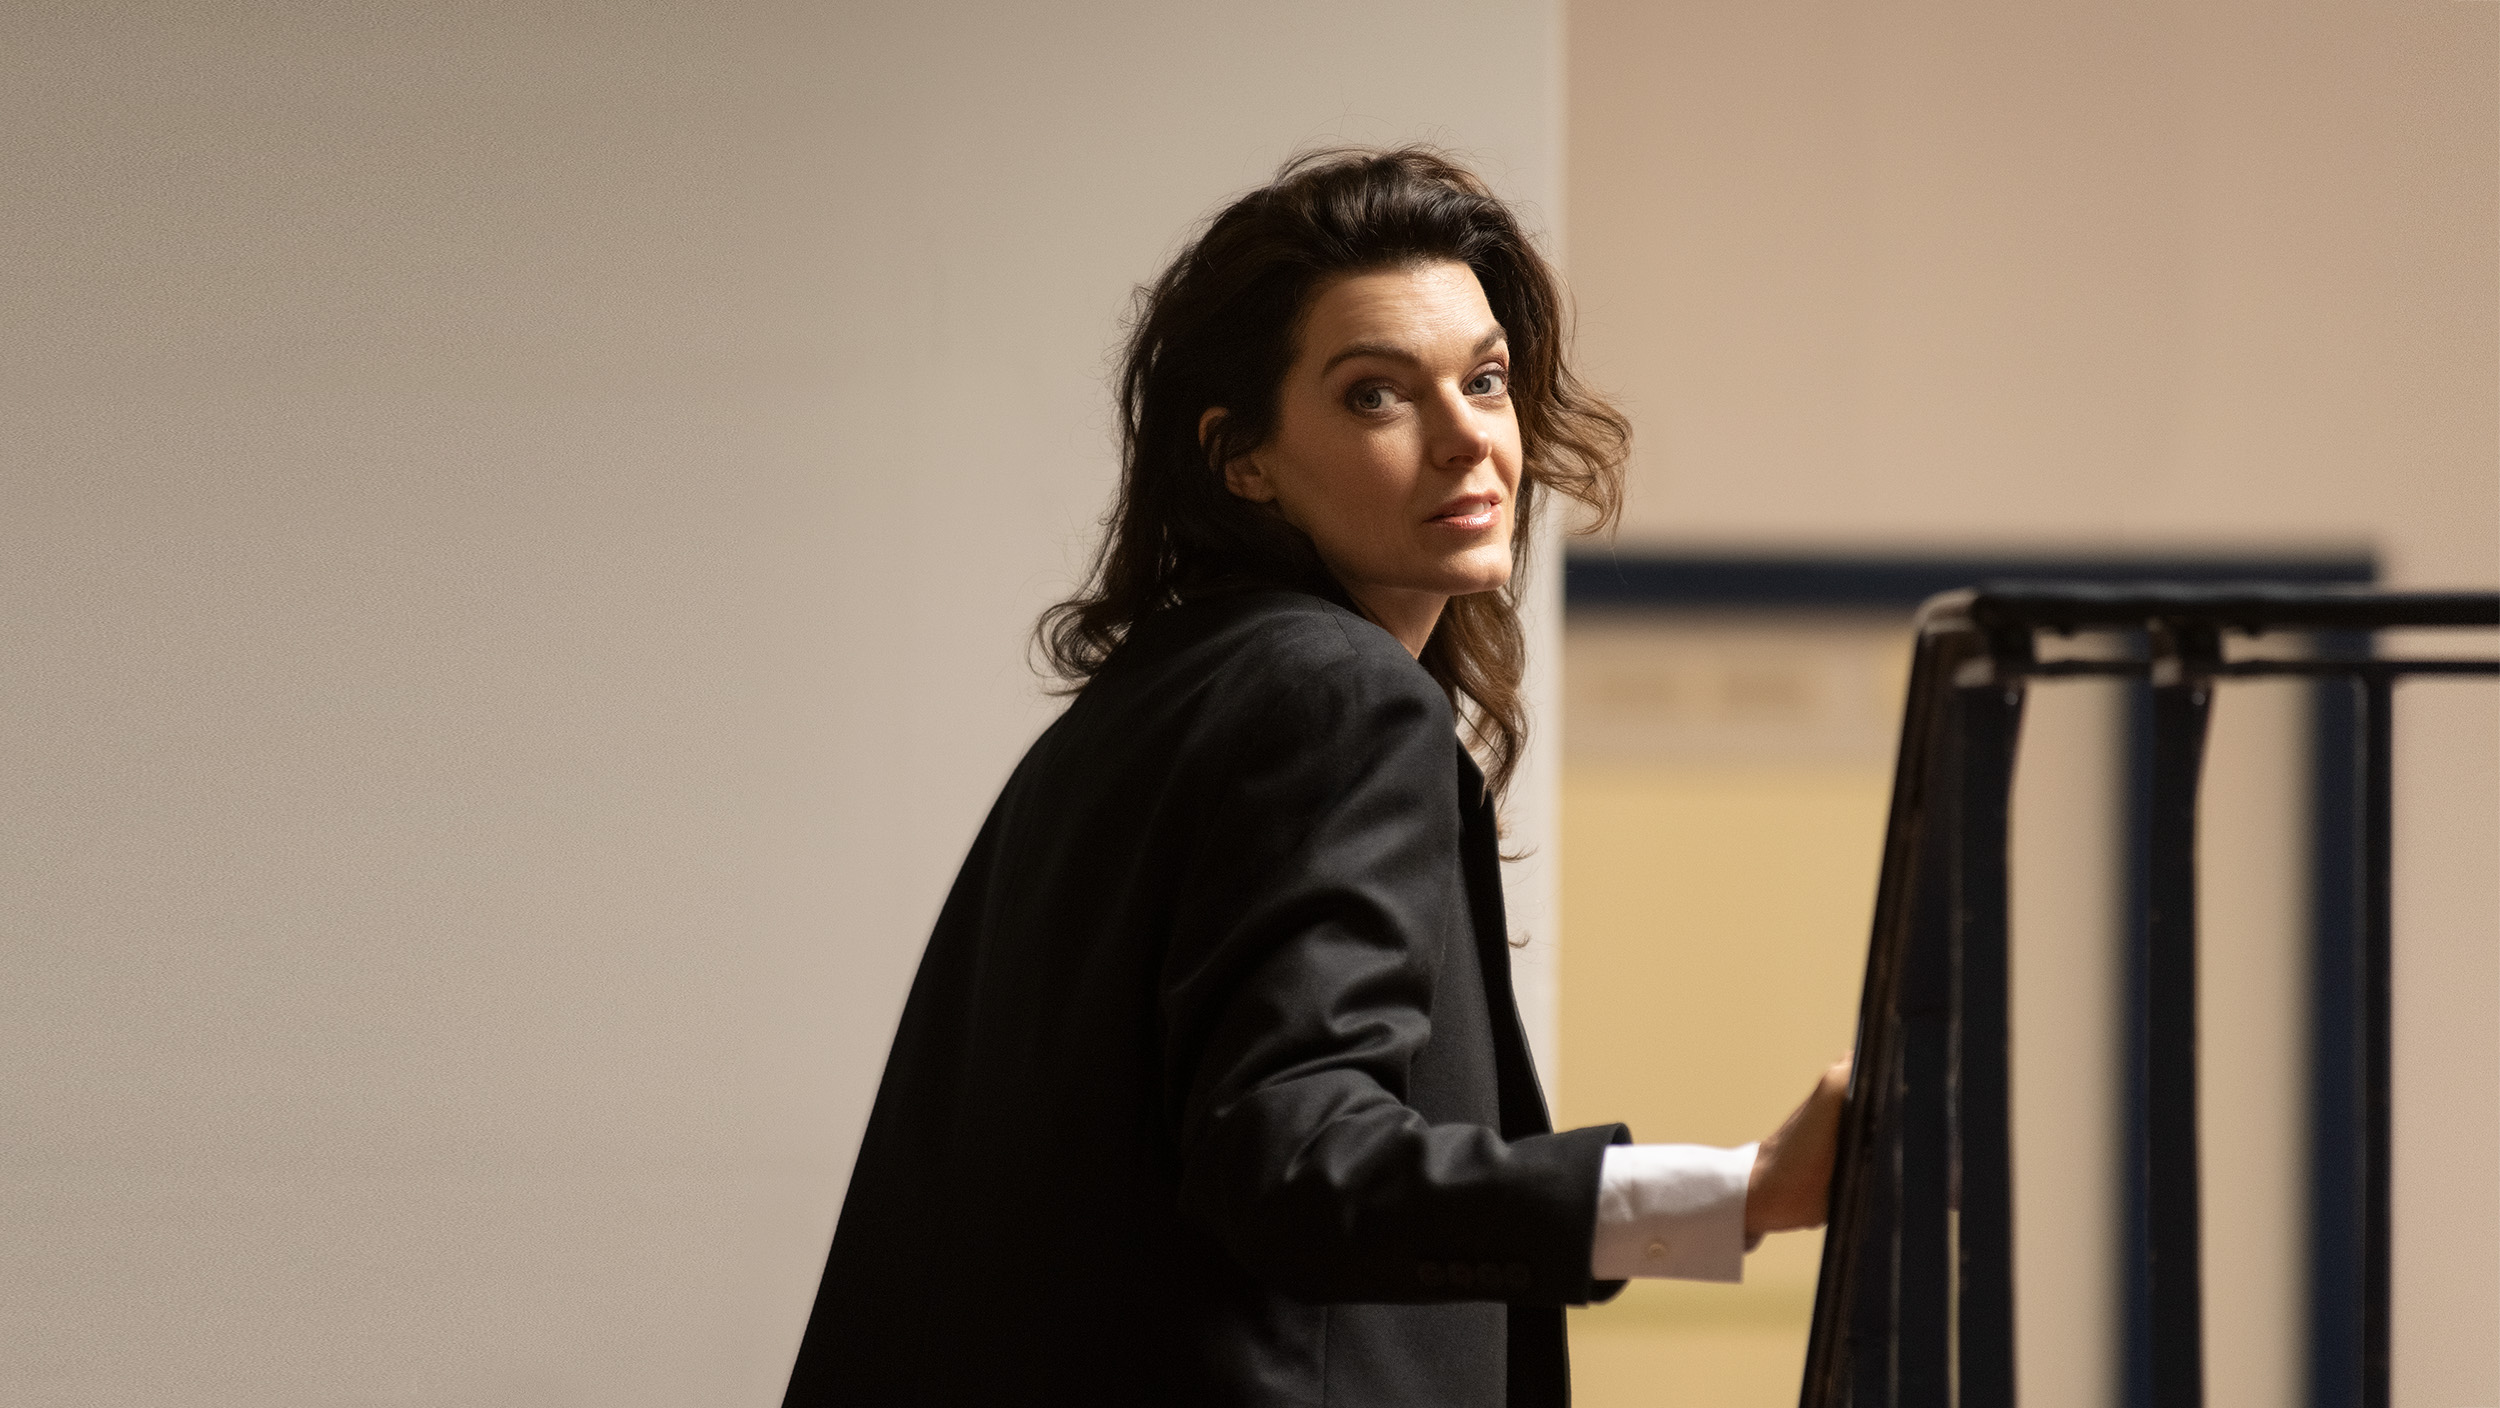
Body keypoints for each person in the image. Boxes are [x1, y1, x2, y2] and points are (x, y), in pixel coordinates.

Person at [782, 147, 1849, 1407]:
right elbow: (1292, 1158)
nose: (1466, 436)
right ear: (1241, 457)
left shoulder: (1150, 707)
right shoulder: (1334, 695)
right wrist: (1740, 1192)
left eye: (1485, 379)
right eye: (1375, 395)